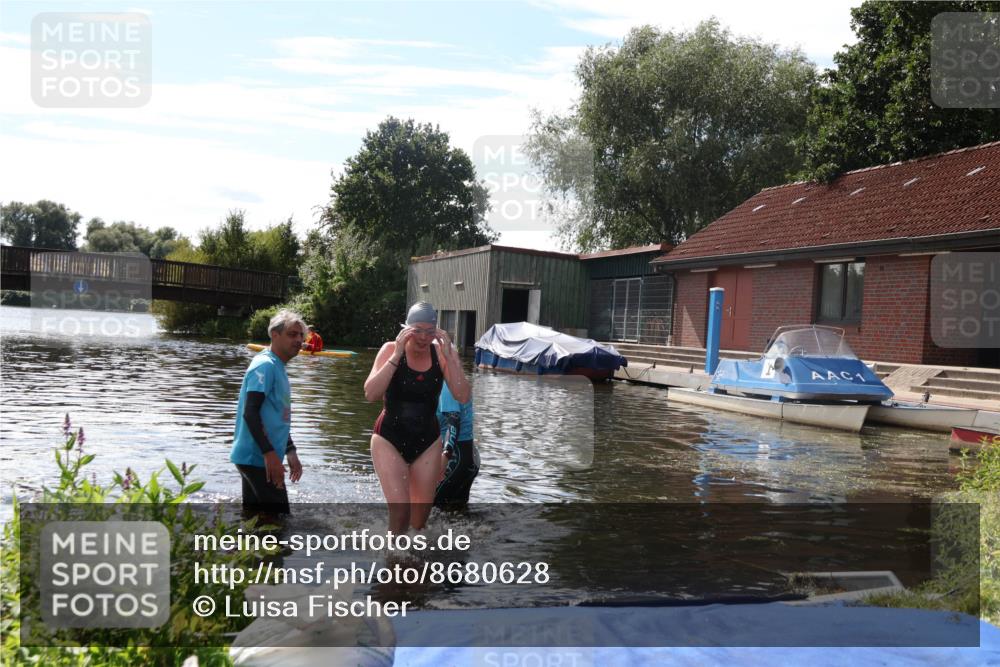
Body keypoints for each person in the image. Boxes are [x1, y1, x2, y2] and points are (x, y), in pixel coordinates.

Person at [364, 302, 471, 532]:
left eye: (430, 331)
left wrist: (450, 357)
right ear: (406, 329)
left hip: (427, 441)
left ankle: (412, 555)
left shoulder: (441, 353)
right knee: (401, 512)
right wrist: (396, 355)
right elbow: (371, 394)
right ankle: (392, 553)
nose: (423, 337)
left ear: (437, 331)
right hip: (388, 438)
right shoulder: (390, 349)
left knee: (419, 522)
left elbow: (462, 396)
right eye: (417, 330)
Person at [230, 309, 306, 514]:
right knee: (279, 520)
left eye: (301, 335)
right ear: (275, 334)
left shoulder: (277, 366)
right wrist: (269, 454)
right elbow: (251, 412)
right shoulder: (265, 366)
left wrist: (290, 451)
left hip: (258, 457)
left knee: (255, 519)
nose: (299, 340)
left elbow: (277, 418)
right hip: (257, 457)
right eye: (292, 334)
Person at [435, 382, 479, 509]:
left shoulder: (446, 386)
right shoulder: (455, 381)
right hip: (468, 456)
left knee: (426, 510)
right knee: (456, 512)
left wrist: (445, 456)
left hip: (455, 458)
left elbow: (453, 423)